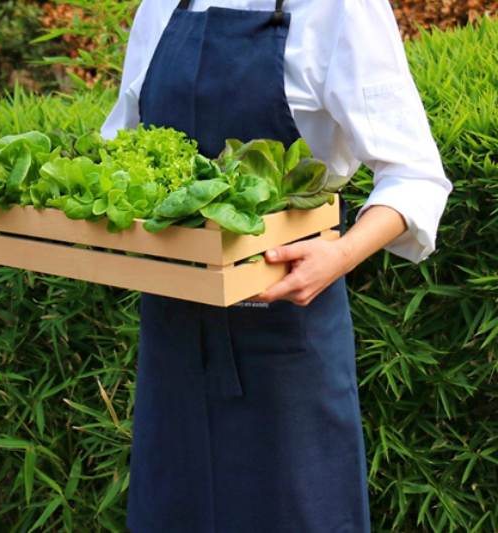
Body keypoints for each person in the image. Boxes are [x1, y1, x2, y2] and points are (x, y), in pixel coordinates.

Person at [99, 0, 452, 531]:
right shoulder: (163, 6)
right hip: (172, 339)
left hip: (287, 339)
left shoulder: (340, 8)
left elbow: (414, 175)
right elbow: (123, 146)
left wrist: (341, 254)